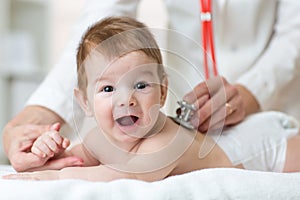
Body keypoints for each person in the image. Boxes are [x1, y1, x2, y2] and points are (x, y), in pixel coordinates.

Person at [3, 0, 300, 172]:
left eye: (141, 86)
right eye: (108, 89)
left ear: (162, 91)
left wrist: (254, 90)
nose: (126, 99)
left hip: (266, 133)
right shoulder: (102, 139)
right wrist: (41, 142)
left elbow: (294, 33)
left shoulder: (161, 145)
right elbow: (99, 35)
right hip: (196, 115)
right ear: (84, 102)